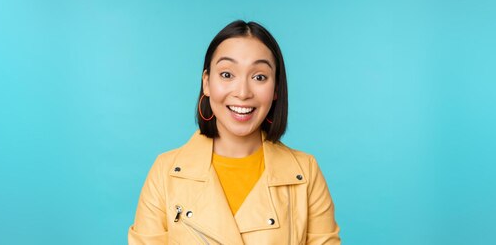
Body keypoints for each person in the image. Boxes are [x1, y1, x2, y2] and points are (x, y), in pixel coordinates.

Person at [128, 20, 340, 244]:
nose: (243, 92)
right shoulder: (165, 172)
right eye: (227, 74)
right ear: (207, 83)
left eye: (259, 77)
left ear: (276, 88)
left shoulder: (305, 173)